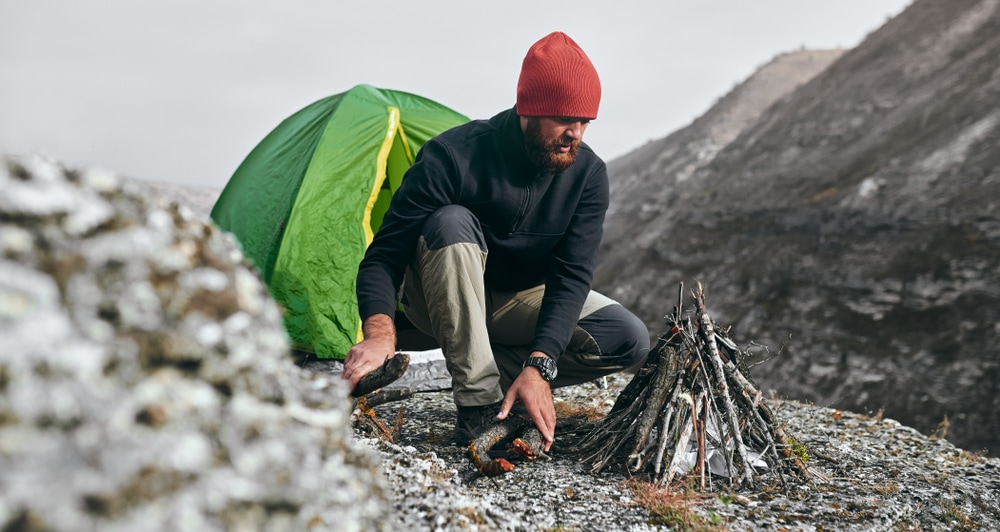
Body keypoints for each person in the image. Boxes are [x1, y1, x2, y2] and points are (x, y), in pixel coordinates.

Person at [341, 31, 649, 452]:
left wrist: (540, 366)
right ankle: (479, 409)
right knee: (452, 222)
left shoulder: (588, 175)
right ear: (529, 108)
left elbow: (571, 277)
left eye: (584, 122)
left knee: (626, 335)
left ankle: (488, 373)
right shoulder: (453, 156)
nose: (575, 133)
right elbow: (384, 255)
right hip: (434, 303)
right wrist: (379, 334)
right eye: (563, 119)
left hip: (511, 303)